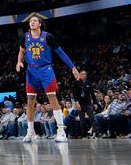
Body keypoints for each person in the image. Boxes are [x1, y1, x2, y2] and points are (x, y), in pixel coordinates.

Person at [15, 15, 80, 143]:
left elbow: (60, 52)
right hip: (31, 71)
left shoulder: (48, 37)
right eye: (30, 21)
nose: (32, 22)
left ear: (40, 24)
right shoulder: (25, 37)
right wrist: (19, 62)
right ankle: (31, 131)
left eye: (34, 21)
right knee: (30, 101)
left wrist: (72, 67)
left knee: (52, 98)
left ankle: (61, 131)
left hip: (46, 70)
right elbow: (22, 51)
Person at [73, 69, 96, 137]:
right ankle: (84, 134)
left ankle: (95, 132)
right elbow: (74, 94)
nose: (83, 75)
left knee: (92, 118)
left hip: (88, 103)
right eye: (82, 74)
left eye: (85, 74)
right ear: (79, 75)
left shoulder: (88, 83)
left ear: (86, 75)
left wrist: (95, 103)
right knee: (82, 120)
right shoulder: (76, 83)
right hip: (80, 104)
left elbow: (92, 94)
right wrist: (76, 103)